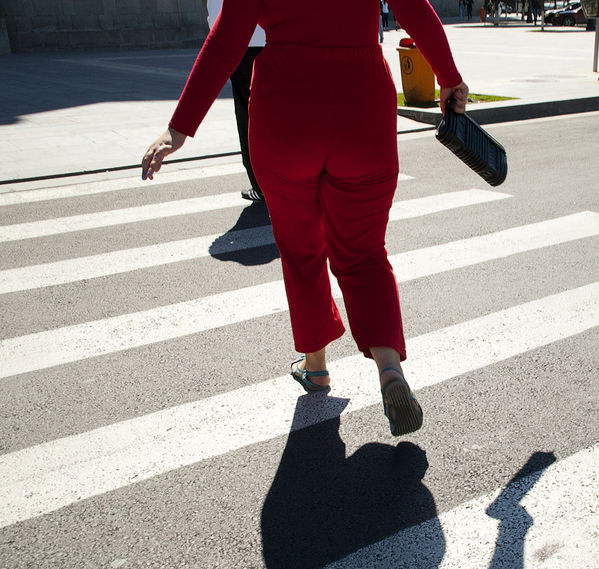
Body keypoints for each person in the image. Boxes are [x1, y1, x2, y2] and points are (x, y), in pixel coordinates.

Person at [141, 0, 469, 437]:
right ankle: (389, 369)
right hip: (362, 106)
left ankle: (316, 368)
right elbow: (416, 10)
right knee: (364, 251)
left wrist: (179, 127)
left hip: (286, 108)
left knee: (300, 248)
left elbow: (225, 40)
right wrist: (449, 77)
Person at [207, 0, 266, 202]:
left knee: (247, 113)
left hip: (238, 37)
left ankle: (260, 185)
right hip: (271, 34)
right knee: (275, 111)